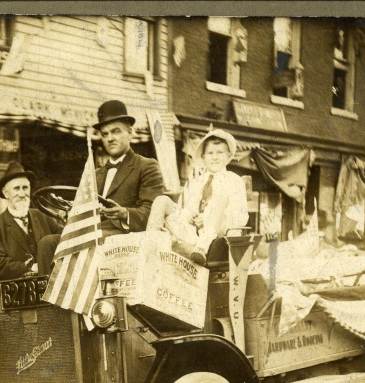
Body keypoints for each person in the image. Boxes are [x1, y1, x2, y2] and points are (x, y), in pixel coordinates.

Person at [38, 99, 165, 271]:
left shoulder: (146, 166)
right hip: (93, 235)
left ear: (130, 132)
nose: (110, 138)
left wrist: (124, 213)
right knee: (47, 243)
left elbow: (153, 212)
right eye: (105, 134)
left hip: (123, 239)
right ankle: (50, 296)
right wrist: (69, 213)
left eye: (116, 132)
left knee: (90, 242)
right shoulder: (95, 174)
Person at [148, 128, 249, 264]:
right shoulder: (196, 182)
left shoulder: (234, 180)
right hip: (192, 233)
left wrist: (208, 219)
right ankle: (149, 244)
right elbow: (185, 210)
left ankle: (201, 248)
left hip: (220, 235)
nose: (215, 157)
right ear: (203, 157)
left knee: (220, 198)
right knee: (162, 200)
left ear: (228, 156)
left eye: (220, 153)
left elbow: (240, 217)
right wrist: (188, 215)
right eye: (210, 153)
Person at [0, 161, 61, 280]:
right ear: (6, 194)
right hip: (17, 293)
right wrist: (30, 268)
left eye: (25, 188)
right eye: (16, 189)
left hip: (51, 287)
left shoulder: (42, 217)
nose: (22, 194)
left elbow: (65, 237)